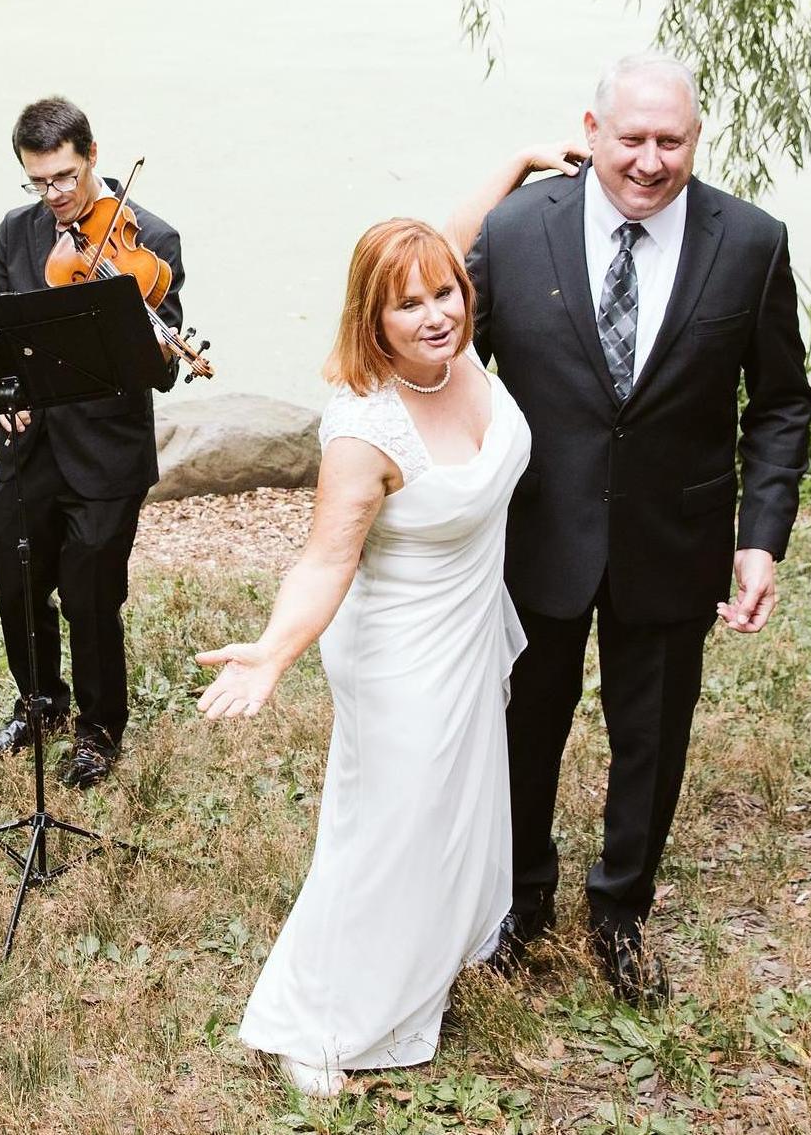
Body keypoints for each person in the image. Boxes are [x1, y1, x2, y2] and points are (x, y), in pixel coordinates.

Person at [195, 142, 576, 1099]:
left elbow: (445, 243)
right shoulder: (366, 428)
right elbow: (326, 558)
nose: (436, 312)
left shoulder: (454, 343)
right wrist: (273, 653)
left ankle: (420, 971)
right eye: (408, 304)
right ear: (373, 319)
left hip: (466, 628)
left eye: (447, 293)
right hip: (398, 651)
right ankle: (316, 1019)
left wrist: (516, 162)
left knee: (451, 816)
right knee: (387, 831)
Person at [468, 53, 811, 1001]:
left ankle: (618, 910)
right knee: (521, 726)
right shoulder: (513, 230)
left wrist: (758, 536)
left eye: (672, 141)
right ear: (590, 130)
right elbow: (447, 366)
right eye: (631, 139)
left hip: (676, 537)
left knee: (651, 736)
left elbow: (779, 402)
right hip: (537, 535)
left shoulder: (749, 240)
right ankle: (520, 899)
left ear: (695, 138)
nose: (651, 161)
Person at [0, 95, 185, 789]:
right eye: (39, 182)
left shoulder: (151, 237)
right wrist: (2, 397)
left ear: (92, 156)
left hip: (107, 451)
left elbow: (163, 371)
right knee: (11, 560)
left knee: (92, 594)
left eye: (64, 177)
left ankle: (97, 730)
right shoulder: (17, 233)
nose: (54, 195)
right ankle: (39, 702)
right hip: (32, 449)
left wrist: (141, 324)